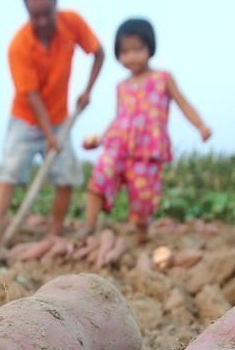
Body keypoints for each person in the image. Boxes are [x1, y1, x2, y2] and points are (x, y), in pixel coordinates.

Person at [0, 0, 105, 241]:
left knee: (66, 176)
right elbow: (31, 95)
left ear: (56, 5)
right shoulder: (19, 46)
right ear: (27, 12)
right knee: (10, 171)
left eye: (47, 14)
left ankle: (55, 231)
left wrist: (88, 91)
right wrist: (48, 134)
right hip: (26, 118)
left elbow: (99, 53)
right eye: (34, 15)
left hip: (61, 117)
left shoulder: (72, 23)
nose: (42, 21)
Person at [81, 18, 211, 245]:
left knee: (142, 199)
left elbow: (183, 103)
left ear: (150, 47)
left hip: (147, 150)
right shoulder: (122, 87)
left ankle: (141, 237)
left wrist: (200, 126)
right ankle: (88, 226)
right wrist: (100, 140)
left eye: (137, 49)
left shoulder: (163, 79)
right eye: (125, 51)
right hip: (119, 144)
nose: (131, 56)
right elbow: (119, 117)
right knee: (101, 173)